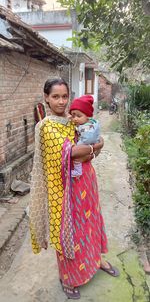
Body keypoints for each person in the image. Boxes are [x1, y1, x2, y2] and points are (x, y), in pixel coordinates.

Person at [29, 78, 119, 300]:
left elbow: (90, 142)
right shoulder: (46, 127)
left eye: (64, 96)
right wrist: (94, 146)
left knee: (91, 222)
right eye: (55, 97)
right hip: (64, 191)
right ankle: (68, 277)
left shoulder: (73, 120)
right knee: (68, 233)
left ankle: (95, 261)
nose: (61, 102)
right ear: (46, 99)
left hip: (86, 182)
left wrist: (93, 147)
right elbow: (69, 153)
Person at [69, 95, 101, 177]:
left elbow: (86, 139)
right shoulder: (87, 123)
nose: (75, 119)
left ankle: (77, 171)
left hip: (85, 147)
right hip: (90, 151)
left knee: (77, 159)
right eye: (73, 116)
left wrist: (77, 147)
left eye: (79, 116)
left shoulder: (86, 127)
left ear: (87, 116)